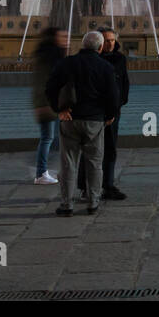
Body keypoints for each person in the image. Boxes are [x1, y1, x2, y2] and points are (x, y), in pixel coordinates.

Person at [45, 30, 121, 215]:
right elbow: (113, 94)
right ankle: (93, 202)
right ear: (101, 47)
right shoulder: (105, 67)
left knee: (68, 163)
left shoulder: (67, 63)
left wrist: (59, 109)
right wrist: (110, 114)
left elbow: (50, 88)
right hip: (94, 120)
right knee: (95, 162)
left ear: (83, 45)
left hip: (70, 119)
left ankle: (66, 205)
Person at [77, 27, 130, 201]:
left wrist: (118, 106)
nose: (109, 44)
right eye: (106, 40)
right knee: (90, 150)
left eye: (112, 40)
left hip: (113, 112)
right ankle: (86, 186)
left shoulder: (120, 59)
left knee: (110, 149)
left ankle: (108, 185)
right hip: (94, 113)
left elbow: (124, 84)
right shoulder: (92, 60)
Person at [31, 26, 67, 185]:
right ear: (53, 38)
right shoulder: (47, 58)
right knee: (48, 138)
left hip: (54, 104)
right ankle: (40, 173)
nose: (65, 39)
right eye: (62, 37)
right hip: (47, 104)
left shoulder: (54, 55)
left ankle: (45, 168)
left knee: (56, 138)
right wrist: (43, 104)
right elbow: (41, 84)